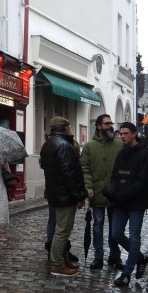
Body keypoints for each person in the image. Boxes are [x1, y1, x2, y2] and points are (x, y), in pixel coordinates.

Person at [103, 122, 148, 287]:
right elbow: (115, 177)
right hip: (120, 202)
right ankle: (140, 258)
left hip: (136, 203)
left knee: (134, 237)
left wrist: (121, 194)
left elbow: (142, 182)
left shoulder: (144, 155)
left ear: (134, 134)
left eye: (125, 133)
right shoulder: (121, 153)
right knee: (116, 234)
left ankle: (127, 273)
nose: (122, 136)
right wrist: (112, 191)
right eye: (121, 133)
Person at [39, 116, 87, 277]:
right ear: (66, 128)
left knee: (59, 229)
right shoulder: (63, 145)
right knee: (62, 231)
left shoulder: (48, 143)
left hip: (54, 193)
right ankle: (57, 264)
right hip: (64, 195)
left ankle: (61, 260)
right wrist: (79, 195)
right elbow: (70, 174)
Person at [80, 114, 123, 271]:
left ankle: (115, 256)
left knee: (115, 227)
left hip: (115, 193)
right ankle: (98, 257)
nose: (110, 126)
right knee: (98, 224)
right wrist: (88, 187)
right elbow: (84, 168)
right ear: (98, 126)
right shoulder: (90, 146)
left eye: (111, 123)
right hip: (97, 193)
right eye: (107, 123)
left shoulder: (119, 145)